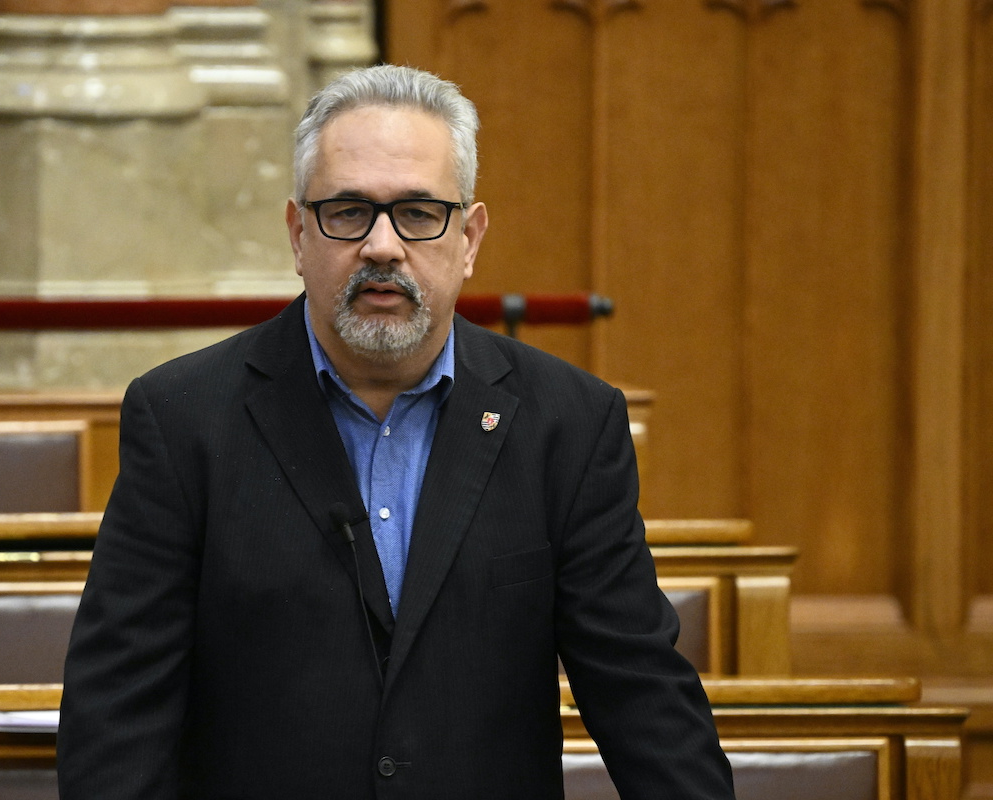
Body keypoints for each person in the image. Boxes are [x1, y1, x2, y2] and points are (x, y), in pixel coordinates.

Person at [58, 64, 735, 799]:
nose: (382, 245)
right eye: (349, 211)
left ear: (469, 238)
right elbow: (116, 720)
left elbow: (643, 698)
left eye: (417, 212)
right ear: (298, 234)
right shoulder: (184, 418)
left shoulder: (568, 424)